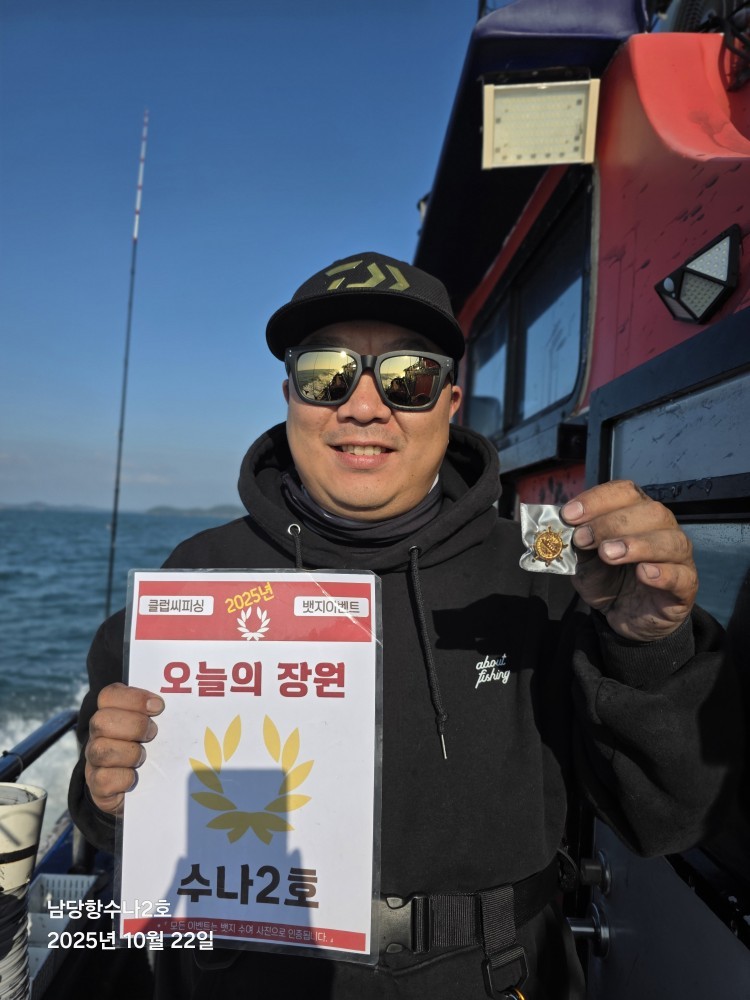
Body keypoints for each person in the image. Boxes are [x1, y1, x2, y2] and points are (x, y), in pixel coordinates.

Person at [69, 251, 741, 1000]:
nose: (363, 406)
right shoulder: (197, 573)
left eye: (408, 378)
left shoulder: (549, 571)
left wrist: (648, 649)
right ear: (290, 396)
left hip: (494, 977)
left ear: (450, 402)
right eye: (327, 374)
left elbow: (673, 814)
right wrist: (106, 790)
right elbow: (109, 819)